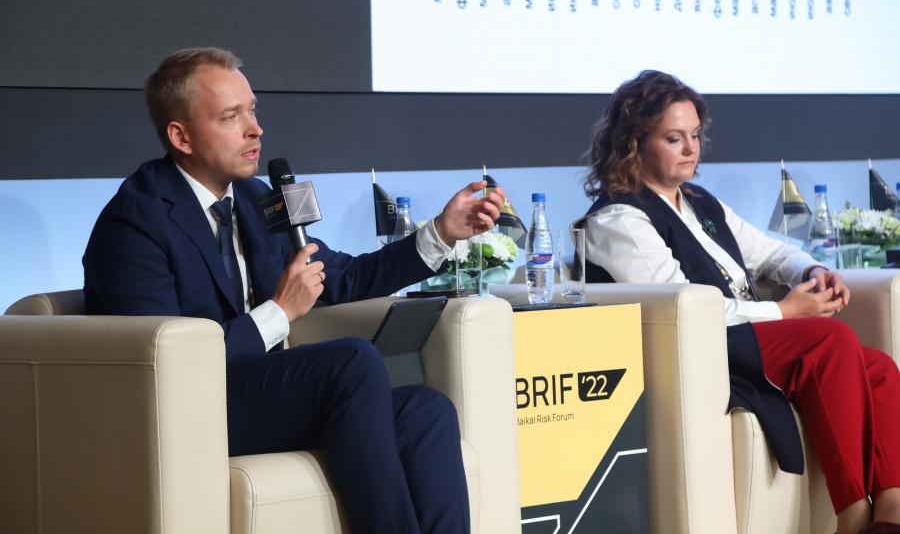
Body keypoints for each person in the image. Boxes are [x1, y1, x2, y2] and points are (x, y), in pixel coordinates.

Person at [83, 47, 506, 534]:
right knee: (350, 362)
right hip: (187, 408)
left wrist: (441, 233)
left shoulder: (254, 198)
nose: (255, 129)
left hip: (258, 394)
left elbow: (343, 277)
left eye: (252, 110)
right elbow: (163, 363)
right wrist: (278, 312)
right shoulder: (136, 221)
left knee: (426, 413)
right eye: (231, 117)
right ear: (181, 136)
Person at [579, 69, 900, 534]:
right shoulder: (617, 219)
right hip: (699, 349)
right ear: (634, 142)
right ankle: (852, 515)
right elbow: (684, 308)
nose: (691, 149)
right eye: (674, 138)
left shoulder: (699, 202)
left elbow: (770, 252)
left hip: (744, 335)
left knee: (879, 369)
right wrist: (785, 312)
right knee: (828, 340)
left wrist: (811, 271)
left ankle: (891, 509)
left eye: (695, 136)